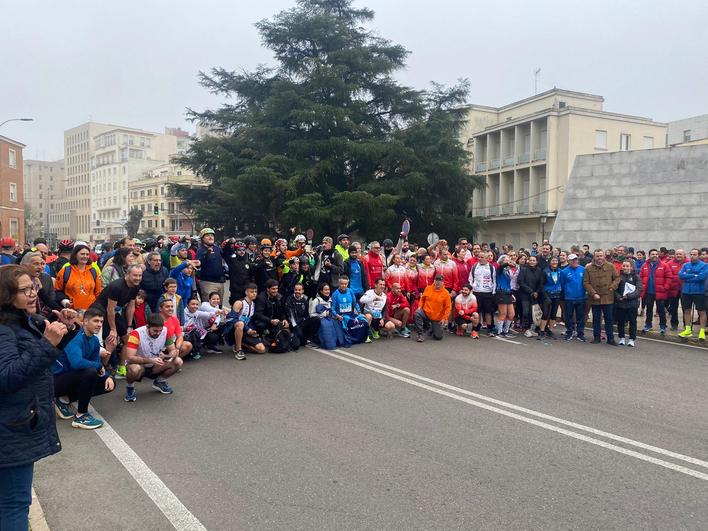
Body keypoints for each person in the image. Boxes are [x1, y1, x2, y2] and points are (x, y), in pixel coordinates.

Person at [0, 265, 68, 528]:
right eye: (24, 289)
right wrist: (46, 344)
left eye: (34, 287)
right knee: (14, 503)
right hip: (11, 429)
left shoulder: (18, 321)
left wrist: (63, 331)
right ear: (6, 295)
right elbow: (7, 377)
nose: (32, 294)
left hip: (14, 424)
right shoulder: (4, 330)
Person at [52, 307, 116, 429]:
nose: (99, 325)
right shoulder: (75, 338)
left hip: (72, 378)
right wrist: (98, 366)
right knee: (90, 372)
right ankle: (81, 417)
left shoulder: (95, 341)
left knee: (109, 384)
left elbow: (96, 362)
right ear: (85, 322)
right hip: (54, 382)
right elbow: (77, 363)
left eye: (101, 322)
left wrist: (107, 376)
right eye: (96, 321)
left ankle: (63, 400)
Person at [123, 313, 182, 401]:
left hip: (155, 365)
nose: (158, 333)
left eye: (160, 330)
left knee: (178, 361)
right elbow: (129, 358)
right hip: (140, 365)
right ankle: (130, 387)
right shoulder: (135, 334)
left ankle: (160, 382)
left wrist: (167, 356)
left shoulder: (165, 331)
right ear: (147, 327)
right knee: (134, 369)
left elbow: (173, 351)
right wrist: (150, 360)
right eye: (155, 331)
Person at [583, 249, 620, 345]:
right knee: (596, 319)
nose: (599, 258)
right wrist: (593, 293)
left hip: (608, 297)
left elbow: (617, 278)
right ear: (594, 257)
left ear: (604, 256)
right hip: (595, 298)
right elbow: (586, 283)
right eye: (597, 256)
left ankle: (610, 339)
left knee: (609, 319)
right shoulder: (588, 268)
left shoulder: (610, 266)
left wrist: (612, 287)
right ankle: (596, 337)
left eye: (601, 256)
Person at [54, 244, 102, 311]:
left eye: (87, 254)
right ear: (75, 255)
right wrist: (64, 302)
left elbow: (98, 293)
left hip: (90, 312)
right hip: (71, 312)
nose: (85, 256)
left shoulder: (94, 271)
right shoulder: (65, 271)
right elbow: (58, 291)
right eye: (82, 254)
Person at [226, 283, 266, 360]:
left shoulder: (254, 304)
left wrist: (253, 331)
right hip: (233, 330)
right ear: (246, 292)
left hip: (246, 331)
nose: (254, 293)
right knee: (240, 323)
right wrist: (248, 329)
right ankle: (239, 350)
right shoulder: (239, 303)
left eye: (255, 292)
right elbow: (231, 319)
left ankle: (241, 344)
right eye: (252, 292)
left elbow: (250, 320)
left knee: (261, 349)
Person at [677, 248, 708, 340]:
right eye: (691, 254)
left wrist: (688, 276)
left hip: (699, 292)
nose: (692, 256)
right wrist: (693, 275)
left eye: (694, 254)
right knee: (686, 310)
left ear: (698, 255)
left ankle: (702, 331)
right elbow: (681, 275)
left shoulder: (705, 265)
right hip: (686, 291)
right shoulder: (685, 265)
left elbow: (701, 277)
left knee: (701, 311)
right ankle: (687, 330)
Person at [639, 249, 671, 335]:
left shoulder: (664, 265)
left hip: (660, 292)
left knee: (661, 310)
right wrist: (642, 287)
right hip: (648, 292)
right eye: (653, 254)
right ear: (649, 255)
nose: (655, 255)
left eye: (656, 254)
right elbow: (640, 277)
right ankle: (648, 325)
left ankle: (663, 326)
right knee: (649, 309)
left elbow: (669, 277)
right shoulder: (644, 265)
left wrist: (665, 287)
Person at [330, 276, 369, 345]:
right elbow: (332, 309)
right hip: (341, 316)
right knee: (347, 319)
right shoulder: (335, 294)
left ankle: (364, 337)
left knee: (363, 319)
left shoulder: (350, 291)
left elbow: (355, 303)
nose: (344, 285)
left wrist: (359, 312)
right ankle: (350, 339)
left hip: (351, 314)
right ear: (339, 283)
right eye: (342, 284)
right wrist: (337, 316)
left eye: (345, 284)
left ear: (348, 284)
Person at [414, 274, 452, 342]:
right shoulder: (428, 288)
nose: (438, 282)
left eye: (440, 281)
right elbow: (422, 299)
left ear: (443, 282)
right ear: (434, 281)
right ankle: (420, 334)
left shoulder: (446, 293)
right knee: (417, 313)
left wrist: (444, 318)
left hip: (437, 317)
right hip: (426, 313)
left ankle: (431, 328)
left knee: (438, 337)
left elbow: (448, 308)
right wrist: (420, 306)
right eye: (436, 280)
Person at [253, 279, 289, 347]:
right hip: (264, 321)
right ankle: (262, 336)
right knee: (260, 324)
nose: (275, 291)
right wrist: (270, 321)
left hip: (274, 321)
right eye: (273, 289)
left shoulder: (279, 297)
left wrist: (284, 319)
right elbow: (258, 314)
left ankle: (273, 336)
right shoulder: (261, 298)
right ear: (267, 289)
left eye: (276, 288)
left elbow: (282, 311)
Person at [615, 260, 642, 347]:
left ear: (631, 267)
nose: (625, 268)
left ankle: (631, 339)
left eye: (627, 266)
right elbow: (614, 289)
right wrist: (619, 297)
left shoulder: (636, 277)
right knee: (621, 321)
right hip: (621, 303)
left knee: (632, 321)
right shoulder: (618, 277)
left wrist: (629, 296)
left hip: (632, 303)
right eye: (624, 266)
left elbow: (638, 290)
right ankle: (622, 337)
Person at [468, 251, 496, 336]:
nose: (479, 258)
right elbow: (470, 278)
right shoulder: (475, 266)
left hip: (488, 292)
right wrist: (472, 287)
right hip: (477, 292)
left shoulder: (491, 267)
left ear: (487, 258)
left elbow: (494, 280)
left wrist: (493, 291)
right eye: (479, 257)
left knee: (488, 311)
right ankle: (476, 327)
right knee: (477, 311)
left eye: (482, 257)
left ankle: (490, 328)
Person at [560, 254, 586, 341]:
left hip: (581, 297)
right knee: (568, 316)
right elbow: (562, 284)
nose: (574, 261)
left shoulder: (583, 269)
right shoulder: (564, 271)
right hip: (569, 298)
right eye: (572, 260)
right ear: (569, 261)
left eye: (575, 260)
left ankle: (580, 333)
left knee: (580, 317)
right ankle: (569, 332)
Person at [285, 283, 320, 348]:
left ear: (302, 291)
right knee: (295, 345)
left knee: (316, 319)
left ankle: (309, 338)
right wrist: (296, 328)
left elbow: (306, 315)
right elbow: (291, 316)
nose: (297, 291)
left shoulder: (305, 301)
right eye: (296, 290)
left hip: (301, 323)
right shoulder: (289, 299)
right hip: (293, 325)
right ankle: (298, 337)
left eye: (299, 290)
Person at [196, 227, 226, 301]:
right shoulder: (201, 250)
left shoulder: (217, 249)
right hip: (207, 283)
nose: (210, 237)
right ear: (202, 238)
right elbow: (199, 264)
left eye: (212, 235)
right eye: (207, 235)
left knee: (219, 307)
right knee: (209, 307)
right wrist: (207, 254)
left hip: (220, 282)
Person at [518, 255, 545, 337]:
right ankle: (525, 328)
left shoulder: (539, 270)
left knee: (532, 313)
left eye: (534, 260)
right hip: (525, 294)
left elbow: (540, 283)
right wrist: (531, 291)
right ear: (528, 261)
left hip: (535, 295)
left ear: (536, 262)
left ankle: (531, 329)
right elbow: (521, 282)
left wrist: (536, 291)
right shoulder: (523, 269)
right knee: (525, 312)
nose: (532, 262)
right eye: (530, 260)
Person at [538, 257, 562, 339]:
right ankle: (541, 331)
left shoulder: (560, 271)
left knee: (553, 314)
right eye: (553, 260)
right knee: (545, 313)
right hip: (547, 295)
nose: (554, 262)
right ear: (550, 262)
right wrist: (545, 296)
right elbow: (541, 285)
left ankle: (550, 331)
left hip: (557, 295)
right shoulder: (545, 271)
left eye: (556, 261)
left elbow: (562, 282)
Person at [223, 240, 253, 304]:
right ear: (236, 251)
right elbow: (225, 252)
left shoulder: (248, 262)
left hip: (246, 291)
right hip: (235, 291)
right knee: (236, 310)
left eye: (243, 250)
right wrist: (230, 242)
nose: (242, 252)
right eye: (239, 250)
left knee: (246, 309)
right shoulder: (232, 260)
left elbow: (251, 276)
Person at [495, 254, 517, 337]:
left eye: (509, 259)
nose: (508, 260)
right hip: (501, 292)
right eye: (506, 259)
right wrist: (508, 263)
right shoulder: (499, 269)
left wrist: (511, 294)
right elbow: (502, 267)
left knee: (511, 314)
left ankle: (506, 330)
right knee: (503, 313)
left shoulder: (508, 270)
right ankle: (499, 332)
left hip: (508, 293)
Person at [665, 249, 687, 330]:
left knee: (686, 308)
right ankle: (674, 324)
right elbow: (668, 275)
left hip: (685, 289)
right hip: (673, 289)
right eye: (677, 254)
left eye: (680, 254)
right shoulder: (669, 263)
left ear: (684, 255)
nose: (678, 255)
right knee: (673, 308)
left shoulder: (688, 263)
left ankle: (687, 325)